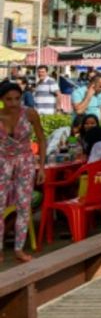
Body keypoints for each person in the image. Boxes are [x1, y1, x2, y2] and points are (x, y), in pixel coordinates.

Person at [0, 80, 46, 262]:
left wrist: (41, 167)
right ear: (2, 99)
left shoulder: (30, 113)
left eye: (17, 98)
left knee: (24, 206)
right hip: (3, 161)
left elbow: (42, 139)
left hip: (26, 162)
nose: (13, 103)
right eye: (8, 99)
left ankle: (19, 249)